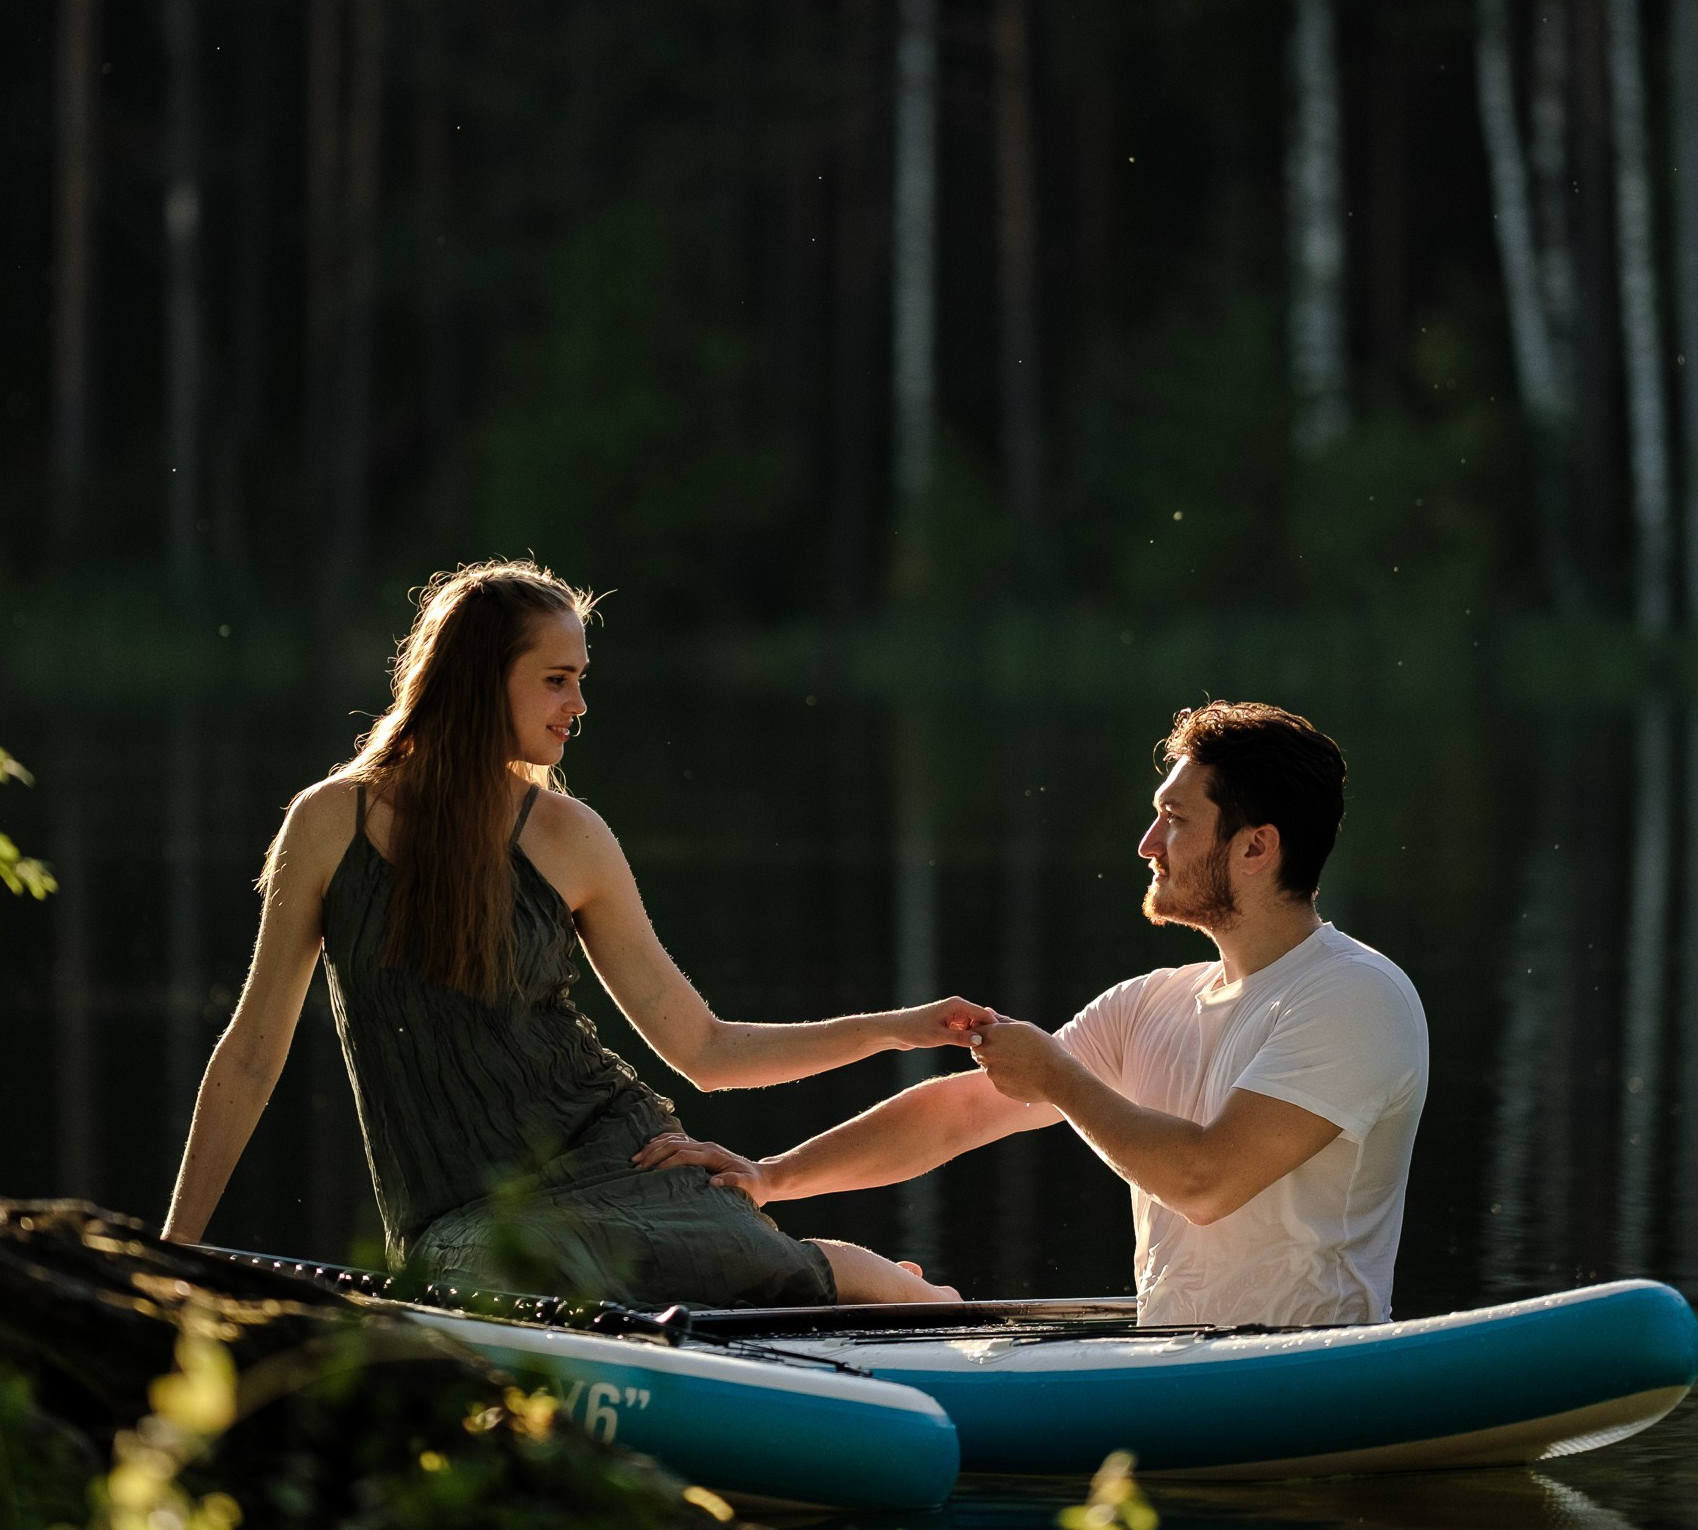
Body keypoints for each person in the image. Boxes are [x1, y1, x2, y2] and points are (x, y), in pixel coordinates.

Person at [161, 559, 982, 1309]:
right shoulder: (327, 823)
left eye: (579, 680)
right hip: (456, 1212)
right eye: (557, 681)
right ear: (480, 681)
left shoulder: (569, 835)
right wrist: (172, 1254)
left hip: (611, 1149)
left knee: (720, 1266)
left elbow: (704, 1047)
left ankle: (885, 1285)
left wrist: (895, 1030)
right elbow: (252, 1054)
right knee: (518, 1268)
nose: (578, 706)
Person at [636, 698, 1427, 1330]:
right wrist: (770, 1177)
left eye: (1178, 820)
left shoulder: (1354, 996)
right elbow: (959, 1114)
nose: (1148, 843)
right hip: (1174, 1361)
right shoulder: (1149, 1002)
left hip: (1304, 1370)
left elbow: (1206, 1180)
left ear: (1256, 849)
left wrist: (1058, 1077)